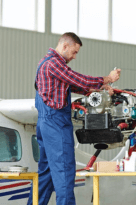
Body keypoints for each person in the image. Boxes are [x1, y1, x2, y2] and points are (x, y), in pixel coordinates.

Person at [28, 32, 121, 205]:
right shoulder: (54, 64)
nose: (75, 57)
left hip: (45, 124)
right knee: (64, 173)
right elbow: (78, 79)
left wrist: (98, 88)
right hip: (56, 126)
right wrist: (108, 78)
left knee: (46, 174)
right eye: (74, 52)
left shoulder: (45, 64)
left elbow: (71, 85)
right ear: (65, 46)